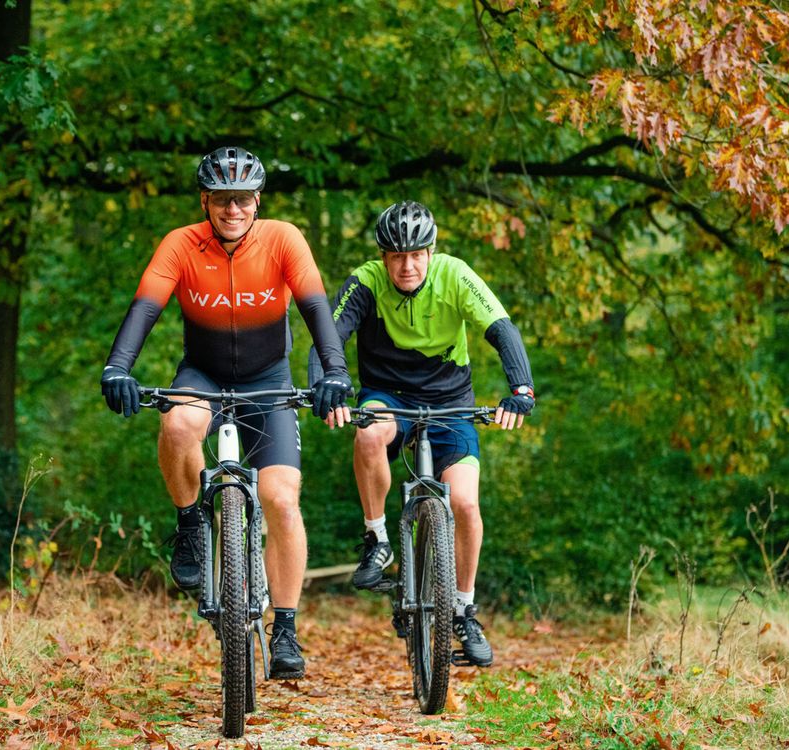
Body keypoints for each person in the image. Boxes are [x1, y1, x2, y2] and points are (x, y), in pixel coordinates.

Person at [100, 146, 352, 680]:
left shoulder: (283, 239)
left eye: (242, 199)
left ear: (257, 201)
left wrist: (334, 372)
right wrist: (117, 368)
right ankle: (190, 521)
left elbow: (314, 308)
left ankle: (284, 626)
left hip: (269, 380)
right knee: (177, 422)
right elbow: (145, 308)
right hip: (204, 375)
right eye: (221, 200)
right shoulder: (181, 245)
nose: (232, 210)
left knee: (282, 500)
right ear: (205, 201)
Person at [309, 200, 534, 667]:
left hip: (451, 401)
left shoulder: (455, 275)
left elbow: (502, 329)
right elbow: (330, 335)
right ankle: (377, 538)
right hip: (387, 394)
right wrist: (325, 384)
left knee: (466, 503)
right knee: (368, 435)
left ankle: (463, 610)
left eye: (416, 254)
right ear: (383, 256)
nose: (406, 265)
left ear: (431, 252)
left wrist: (521, 389)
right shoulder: (367, 280)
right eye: (396, 256)